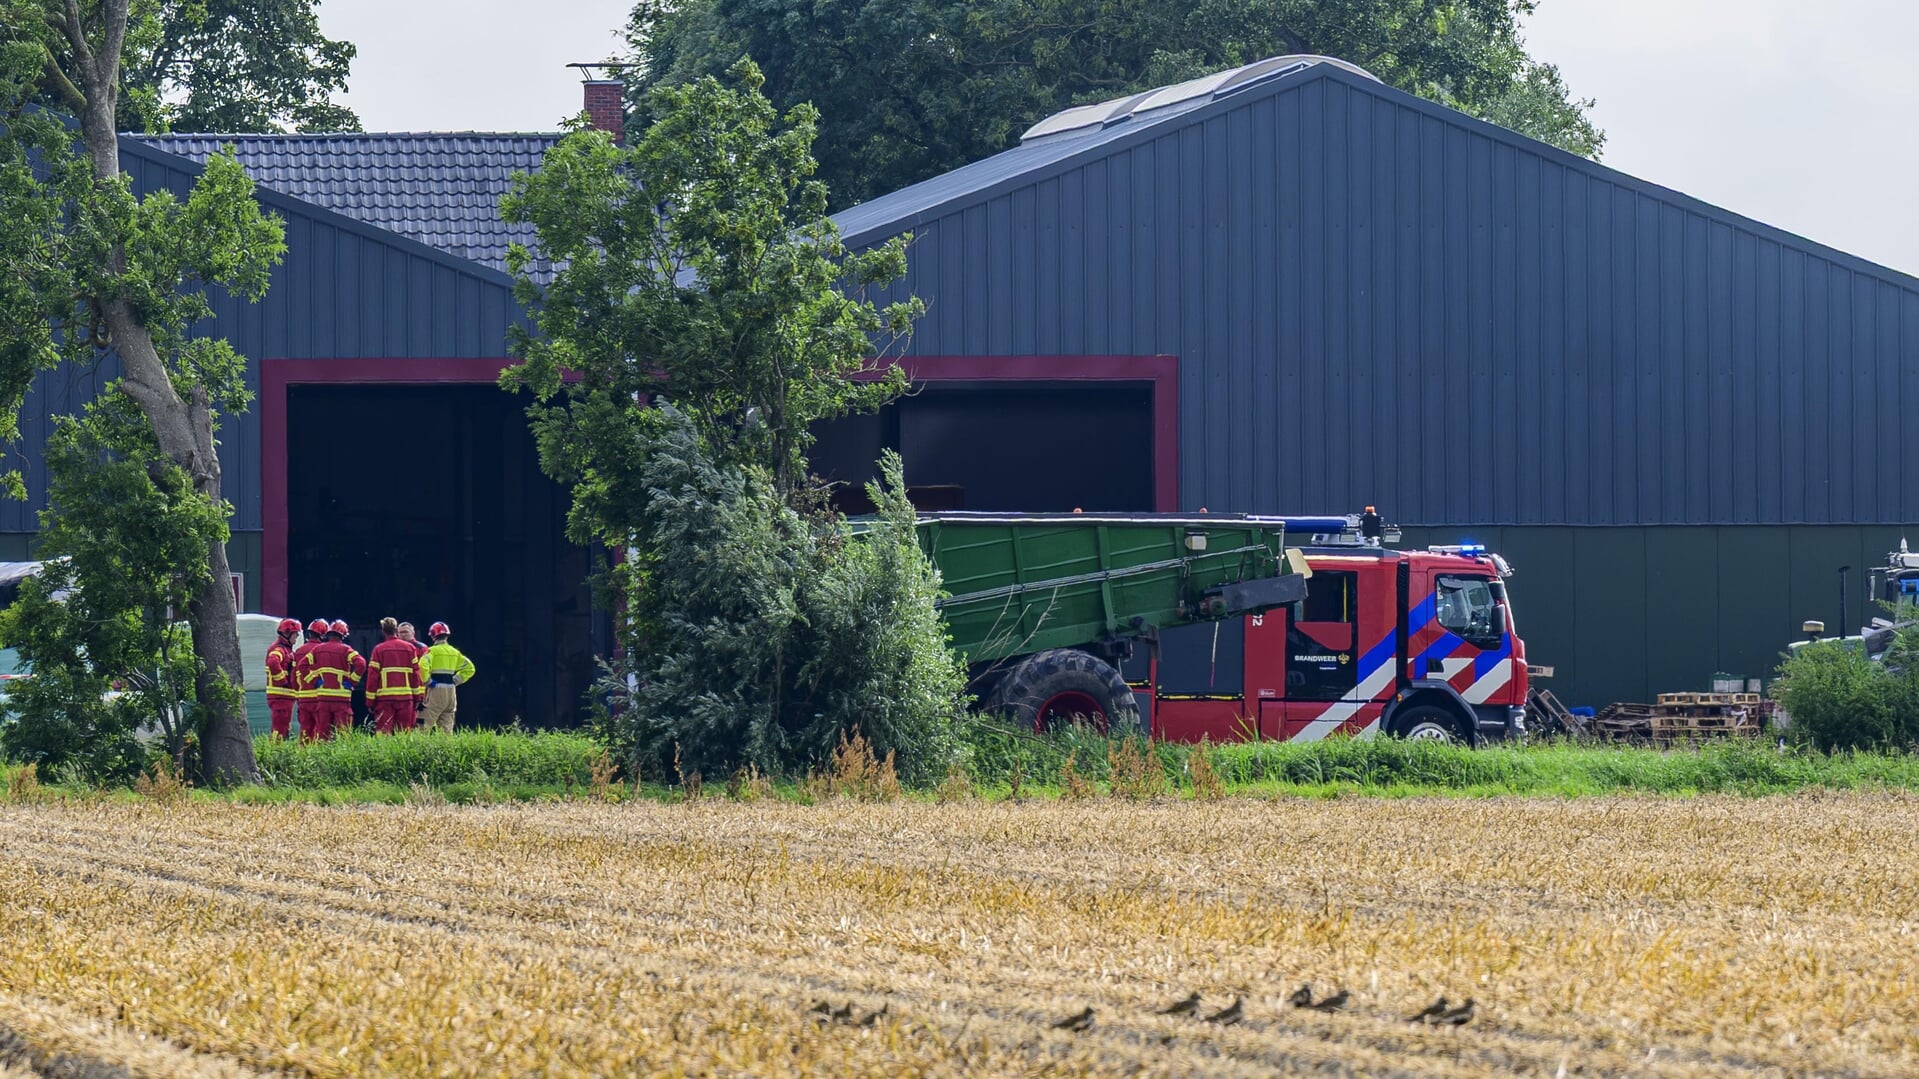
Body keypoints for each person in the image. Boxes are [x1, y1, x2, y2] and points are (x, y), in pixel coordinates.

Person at [298, 619, 365, 740]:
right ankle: (342, 751)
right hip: (341, 698)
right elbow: (361, 664)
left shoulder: (318, 649)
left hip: (323, 698)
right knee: (343, 732)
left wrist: (315, 681)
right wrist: (352, 681)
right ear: (343, 635)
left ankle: (322, 751)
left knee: (323, 732)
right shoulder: (346, 649)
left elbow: (302, 666)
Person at [366, 617, 424, 734]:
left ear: (383, 631)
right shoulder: (410, 648)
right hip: (406, 698)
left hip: (384, 699)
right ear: (396, 630)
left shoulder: (379, 649)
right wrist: (418, 697)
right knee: (404, 732)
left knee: (383, 732)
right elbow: (416, 675)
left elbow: (372, 677)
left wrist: (370, 701)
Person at [421, 621, 475, 734]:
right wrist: (455, 680)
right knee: (446, 727)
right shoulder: (455, 652)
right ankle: (445, 744)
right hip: (451, 691)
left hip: (435, 690)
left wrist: (427, 681)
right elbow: (470, 668)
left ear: (433, 636)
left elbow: (422, 664)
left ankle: (418, 745)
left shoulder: (432, 651)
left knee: (423, 725)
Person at [292, 618, 330, 742]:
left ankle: (303, 752)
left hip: (303, 698)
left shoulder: (298, 651)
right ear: (323, 635)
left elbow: (294, 677)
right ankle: (320, 752)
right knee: (322, 730)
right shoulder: (323, 650)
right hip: (319, 697)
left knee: (305, 730)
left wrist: (297, 695)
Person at [264, 618, 302, 739]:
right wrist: (283, 681)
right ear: (287, 633)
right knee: (279, 727)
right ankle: (275, 748)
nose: (297, 637)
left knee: (284, 726)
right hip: (280, 695)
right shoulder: (279, 649)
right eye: (295, 634)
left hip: (284, 696)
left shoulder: (286, 649)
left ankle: (279, 746)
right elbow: (272, 662)